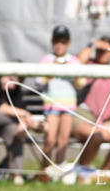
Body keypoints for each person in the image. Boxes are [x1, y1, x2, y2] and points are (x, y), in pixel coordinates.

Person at [73, 36, 110, 181]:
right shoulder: (88, 67)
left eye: (107, 50)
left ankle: (103, 173)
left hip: (106, 121)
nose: (103, 53)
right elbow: (77, 62)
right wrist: (91, 44)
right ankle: (82, 170)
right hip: (82, 116)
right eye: (100, 50)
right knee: (97, 134)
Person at [36, 25, 85, 174]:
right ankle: (45, 171)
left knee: (63, 140)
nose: (59, 45)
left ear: (68, 43)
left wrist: (73, 71)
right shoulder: (46, 60)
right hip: (51, 106)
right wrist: (51, 69)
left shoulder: (74, 61)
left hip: (69, 106)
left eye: (63, 42)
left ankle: (59, 171)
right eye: (57, 41)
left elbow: (81, 83)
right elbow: (39, 81)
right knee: (50, 140)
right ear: (52, 42)